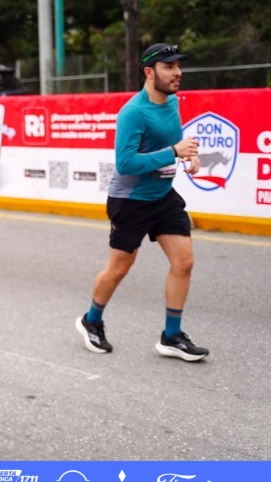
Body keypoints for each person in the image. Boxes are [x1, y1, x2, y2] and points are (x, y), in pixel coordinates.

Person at [75, 43, 209, 362]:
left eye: (178, 66)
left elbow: (171, 142)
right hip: (130, 201)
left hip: (163, 197)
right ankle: (91, 320)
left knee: (184, 262)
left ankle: (171, 336)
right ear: (149, 72)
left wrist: (188, 156)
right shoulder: (133, 112)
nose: (177, 72)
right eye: (169, 67)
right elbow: (126, 164)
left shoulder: (172, 102)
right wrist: (174, 152)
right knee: (120, 267)